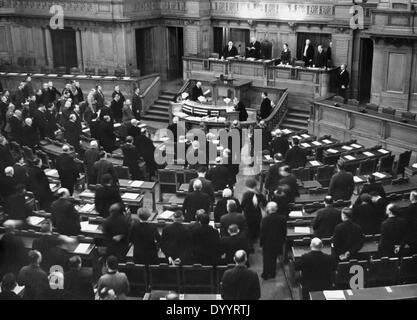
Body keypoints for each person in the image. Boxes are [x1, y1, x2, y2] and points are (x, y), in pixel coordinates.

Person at [259, 202, 287, 280]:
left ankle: (265, 273)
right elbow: (284, 231)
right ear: (276, 209)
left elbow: (262, 232)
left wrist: (261, 243)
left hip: (267, 241)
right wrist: (282, 240)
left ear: (268, 209)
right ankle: (272, 273)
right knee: (274, 258)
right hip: (277, 241)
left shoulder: (264, 220)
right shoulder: (282, 218)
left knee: (266, 258)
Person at [241, 178, 266, 243]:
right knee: (256, 228)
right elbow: (265, 203)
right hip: (257, 214)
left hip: (248, 215)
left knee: (249, 229)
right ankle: (256, 239)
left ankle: (251, 244)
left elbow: (243, 205)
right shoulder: (259, 194)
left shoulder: (246, 194)